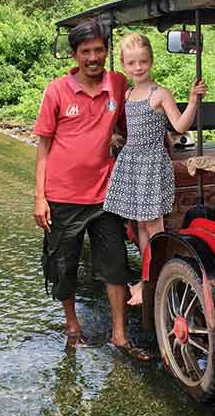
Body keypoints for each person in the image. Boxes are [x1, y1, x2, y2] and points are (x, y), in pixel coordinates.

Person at [33, 19, 150, 361]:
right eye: (86, 52)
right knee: (63, 266)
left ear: (107, 51)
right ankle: (73, 327)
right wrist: (40, 198)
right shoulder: (56, 91)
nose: (94, 57)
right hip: (63, 197)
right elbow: (43, 146)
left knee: (114, 266)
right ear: (75, 54)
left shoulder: (117, 83)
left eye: (99, 50)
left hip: (106, 195)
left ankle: (120, 335)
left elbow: (131, 126)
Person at [102, 34, 206, 306]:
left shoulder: (159, 93)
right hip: (132, 161)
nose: (138, 68)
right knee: (140, 224)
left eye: (143, 62)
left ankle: (155, 276)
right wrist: (114, 135)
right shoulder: (126, 94)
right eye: (132, 63)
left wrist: (193, 101)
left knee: (154, 223)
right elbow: (118, 121)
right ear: (124, 65)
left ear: (151, 61)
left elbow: (180, 126)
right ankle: (148, 276)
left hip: (151, 162)